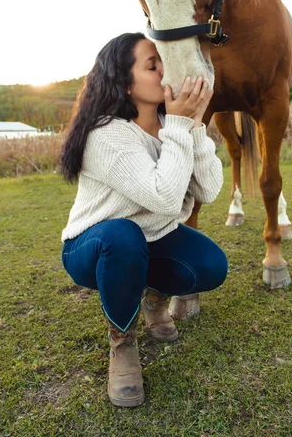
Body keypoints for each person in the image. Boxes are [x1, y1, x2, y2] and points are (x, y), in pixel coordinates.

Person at [60, 32, 228, 408]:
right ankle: (123, 343)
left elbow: (210, 190)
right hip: (96, 247)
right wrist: (183, 128)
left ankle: (154, 301)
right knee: (123, 235)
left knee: (211, 266)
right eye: (153, 65)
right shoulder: (106, 133)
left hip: (150, 239)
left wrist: (195, 126)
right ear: (123, 82)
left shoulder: (174, 124)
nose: (165, 71)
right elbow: (166, 197)